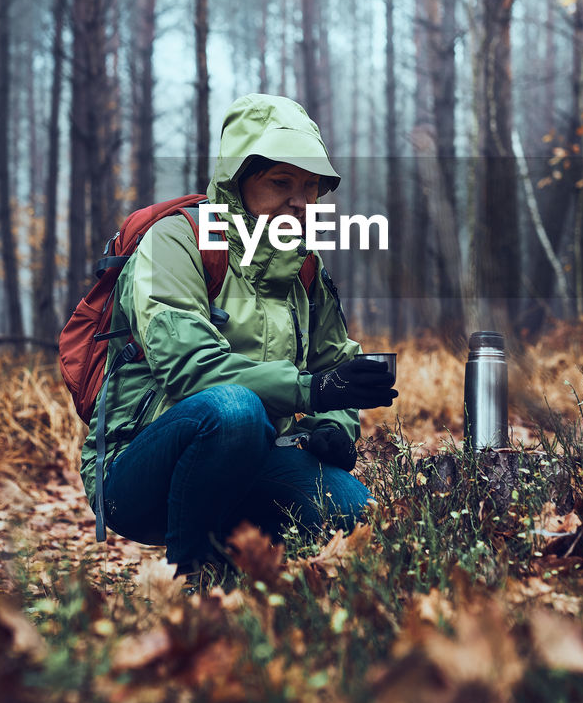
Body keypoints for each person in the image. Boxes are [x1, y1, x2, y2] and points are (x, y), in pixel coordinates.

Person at [79, 93, 397, 574]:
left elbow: (334, 366)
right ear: (237, 181)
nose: (299, 201)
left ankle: (244, 565)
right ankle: (196, 580)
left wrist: (332, 427)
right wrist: (309, 391)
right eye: (281, 182)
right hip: (137, 471)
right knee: (234, 411)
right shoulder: (177, 239)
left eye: (311, 187)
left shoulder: (306, 266)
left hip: (259, 459)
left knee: (356, 517)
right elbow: (191, 367)